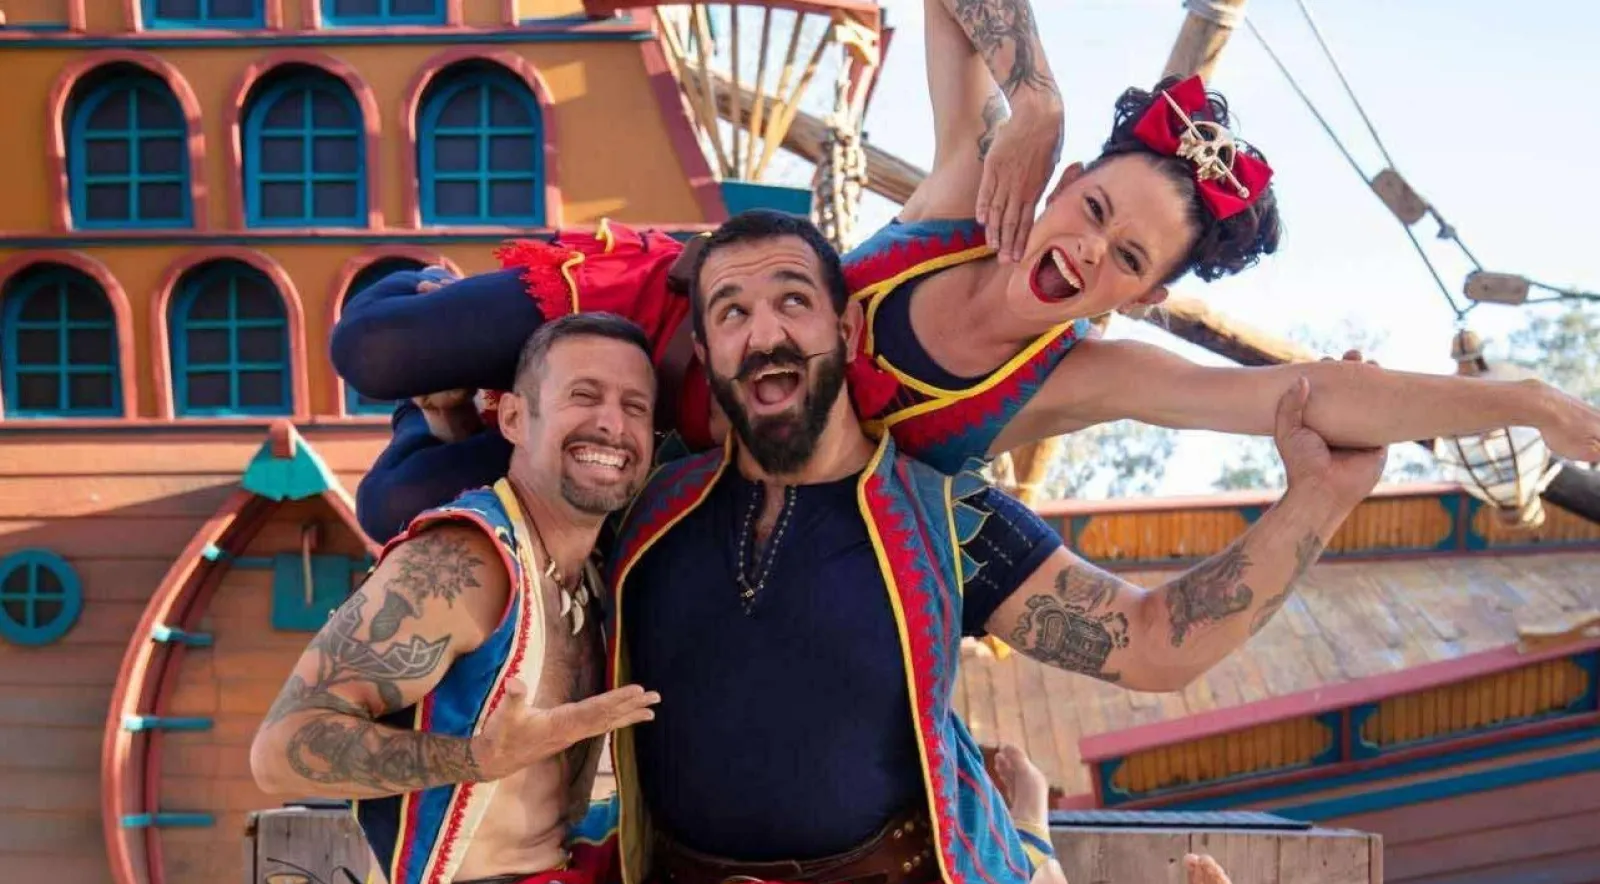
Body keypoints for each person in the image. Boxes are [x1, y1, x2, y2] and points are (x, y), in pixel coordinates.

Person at [332, 0, 1600, 545]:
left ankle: (455, 416)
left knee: (405, 507)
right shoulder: (960, 201)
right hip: (666, 315)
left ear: (1144, 294)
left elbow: (1313, 394)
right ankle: (441, 314)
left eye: (1125, 257)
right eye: (1092, 209)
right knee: (372, 347)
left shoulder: (1073, 381)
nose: (1084, 249)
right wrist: (1032, 94)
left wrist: (1532, 404)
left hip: (672, 449)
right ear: (1065, 180)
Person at [567, 212, 1384, 884]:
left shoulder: (947, 520)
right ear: (707, 351)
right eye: (731, 313)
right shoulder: (641, 504)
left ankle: (1028, 843)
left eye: (793, 301)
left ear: (846, 329)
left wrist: (1320, 498)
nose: (765, 334)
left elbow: (1151, 643)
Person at [249, 314, 666, 884]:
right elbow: (277, 753)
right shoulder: (463, 562)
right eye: (583, 395)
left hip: (563, 876)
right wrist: (478, 757)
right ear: (514, 419)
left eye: (635, 406)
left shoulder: (591, 568)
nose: (611, 423)